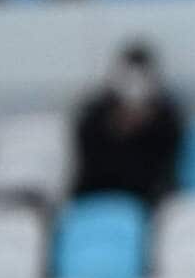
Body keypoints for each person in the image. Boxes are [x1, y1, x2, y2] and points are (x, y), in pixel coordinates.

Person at [73, 41, 185, 205]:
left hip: (145, 195)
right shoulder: (95, 111)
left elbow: (168, 160)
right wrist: (114, 127)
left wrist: (148, 126)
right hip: (97, 190)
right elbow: (85, 151)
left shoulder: (166, 115)